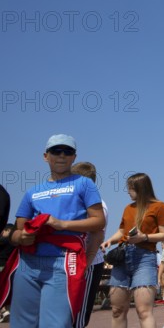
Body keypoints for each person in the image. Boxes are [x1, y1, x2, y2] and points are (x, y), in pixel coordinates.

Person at [10, 134, 105, 328]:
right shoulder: (32, 192)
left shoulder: (84, 184)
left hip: (62, 263)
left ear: (74, 157)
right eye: (56, 151)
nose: (61, 155)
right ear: (46, 156)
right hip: (28, 264)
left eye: (67, 151)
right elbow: (20, 228)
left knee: (54, 324)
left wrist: (62, 225)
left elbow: (98, 221)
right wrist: (21, 236)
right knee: (22, 324)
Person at [100, 172, 164, 328]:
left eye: (130, 189)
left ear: (140, 188)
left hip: (144, 258)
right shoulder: (128, 208)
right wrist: (110, 241)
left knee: (144, 311)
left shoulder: (160, 207)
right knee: (117, 309)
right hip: (123, 256)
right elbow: (122, 231)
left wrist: (144, 237)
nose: (128, 192)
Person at [71, 162, 108, 328]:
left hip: (89, 263)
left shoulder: (97, 205)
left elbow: (96, 237)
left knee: (79, 312)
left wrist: (84, 264)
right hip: (73, 262)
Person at [0, 223, 15, 323]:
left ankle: (4, 311)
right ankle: (7, 311)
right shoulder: (15, 243)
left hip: (1, 266)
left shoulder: (4, 241)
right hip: (9, 268)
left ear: (8, 231)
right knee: (7, 290)